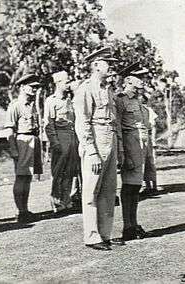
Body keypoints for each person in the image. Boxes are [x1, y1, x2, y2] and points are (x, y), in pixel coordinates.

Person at [73, 47, 124, 251]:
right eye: (106, 62)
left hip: (110, 138)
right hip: (95, 138)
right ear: (95, 65)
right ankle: (92, 236)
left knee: (109, 189)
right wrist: (91, 151)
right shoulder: (85, 89)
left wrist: (118, 146)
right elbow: (82, 122)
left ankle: (105, 233)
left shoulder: (107, 89)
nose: (110, 65)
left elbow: (115, 120)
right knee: (92, 189)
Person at [115, 75, 152, 241]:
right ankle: (127, 226)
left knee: (135, 187)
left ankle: (133, 224)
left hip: (140, 148)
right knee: (128, 187)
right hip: (129, 148)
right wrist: (123, 152)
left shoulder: (138, 100)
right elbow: (118, 129)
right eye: (138, 78)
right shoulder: (121, 100)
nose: (142, 81)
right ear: (128, 81)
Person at [5, 73, 43, 222]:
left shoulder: (32, 104)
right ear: (22, 87)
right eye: (31, 87)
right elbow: (10, 130)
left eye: (36, 87)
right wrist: (14, 150)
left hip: (33, 140)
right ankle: (20, 211)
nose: (34, 90)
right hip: (22, 141)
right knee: (21, 177)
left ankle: (25, 209)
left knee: (28, 178)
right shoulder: (16, 105)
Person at [44, 70, 80, 212]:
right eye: (66, 82)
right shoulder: (51, 101)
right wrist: (54, 142)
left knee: (70, 170)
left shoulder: (70, 100)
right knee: (59, 171)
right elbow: (49, 124)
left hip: (72, 137)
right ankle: (56, 201)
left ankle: (67, 199)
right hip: (60, 137)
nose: (68, 84)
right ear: (58, 83)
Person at [139, 91, 158, 194]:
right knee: (145, 162)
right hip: (143, 138)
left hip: (148, 137)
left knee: (150, 162)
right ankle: (148, 186)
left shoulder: (148, 110)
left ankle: (153, 186)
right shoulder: (140, 110)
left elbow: (153, 126)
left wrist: (154, 141)